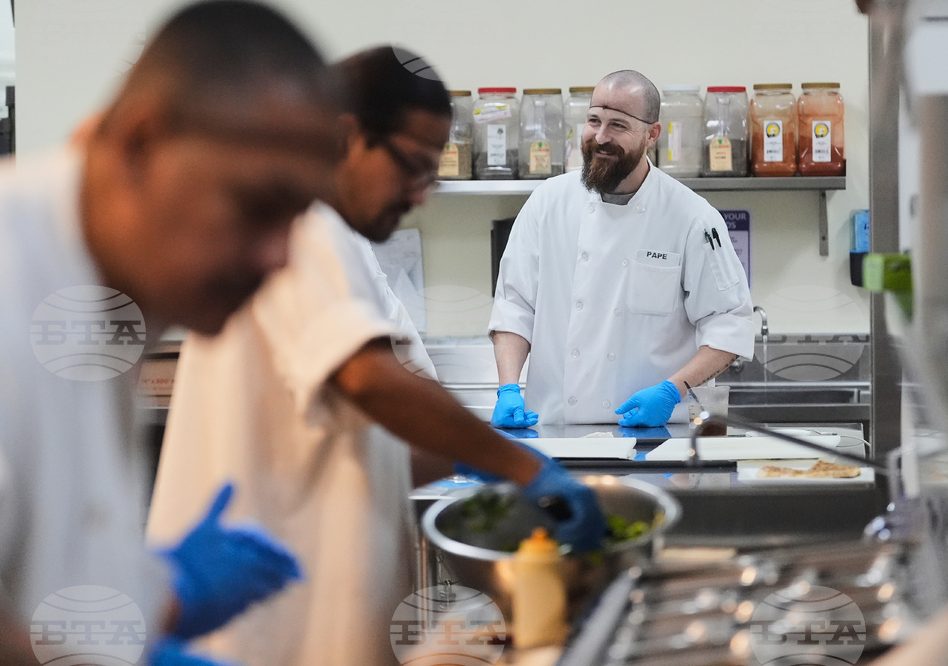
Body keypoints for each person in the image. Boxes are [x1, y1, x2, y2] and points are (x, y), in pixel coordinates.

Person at [146, 46, 606, 666]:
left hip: (316, 612)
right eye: (412, 168)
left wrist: (484, 494)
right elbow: (369, 379)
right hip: (262, 623)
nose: (421, 194)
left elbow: (370, 428)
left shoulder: (345, 243)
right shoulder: (303, 223)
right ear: (346, 136)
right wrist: (517, 467)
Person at [0, 2, 343, 665]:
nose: (280, 258)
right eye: (256, 207)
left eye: (297, 219)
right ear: (138, 144)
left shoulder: (107, 295)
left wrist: (161, 591)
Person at [489, 70, 754, 428]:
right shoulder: (546, 204)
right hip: (554, 430)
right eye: (594, 121)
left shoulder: (692, 217)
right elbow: (514, 306)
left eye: (618, 125)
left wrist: (672, 390)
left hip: (654, 437)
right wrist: (508, 387)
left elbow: (730, 325)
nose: (600, 137)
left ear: (652, 134)